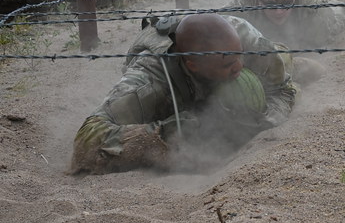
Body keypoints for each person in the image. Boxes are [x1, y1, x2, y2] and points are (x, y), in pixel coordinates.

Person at [71, 13, 298, 174]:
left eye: (240, 56)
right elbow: (87, 140)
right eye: (228, 63)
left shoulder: (247, 39)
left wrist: (260, 124)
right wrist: (165, 133)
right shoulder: (149, 81)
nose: (239, 66)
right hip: (173, 95)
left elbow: (284, 91)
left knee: (285, 61)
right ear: (193, 64)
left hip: (259, 56)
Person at [222, 0, 345, 84]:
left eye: (286, 3)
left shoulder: (311, 9)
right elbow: (215, 20)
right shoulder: (246, 3)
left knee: (335, 22)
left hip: (319, 15)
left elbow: (329, 32)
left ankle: (339, 1)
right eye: (270, 5)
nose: (279, 12)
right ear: (259, 0)